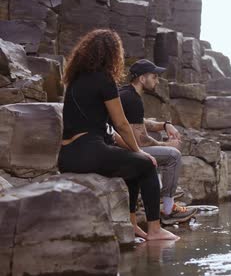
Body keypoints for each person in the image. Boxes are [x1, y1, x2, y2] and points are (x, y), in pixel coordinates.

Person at [57, 29, 178, 241]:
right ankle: (155, 230)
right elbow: (121, 124)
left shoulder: (75, 80)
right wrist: (141, 152)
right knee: (146, 165)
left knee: (133, 165)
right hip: (89, 151)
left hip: (67, 155)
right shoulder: (104, 80)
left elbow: (110, 133)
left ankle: (132, 225)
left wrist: (135, 153)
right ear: (112, 54)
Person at [113, 59, 196, 224]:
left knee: (160, 146)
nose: (157, 80)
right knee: (173, 156)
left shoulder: (126, 93)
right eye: (154, 77)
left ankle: (157, 199)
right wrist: (167, 145)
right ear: (142, 79)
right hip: (119, 150)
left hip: (117, 147)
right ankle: (167, 210)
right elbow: (140, 140)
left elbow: (140, 123)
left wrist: (165, 125)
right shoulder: (132, 99)